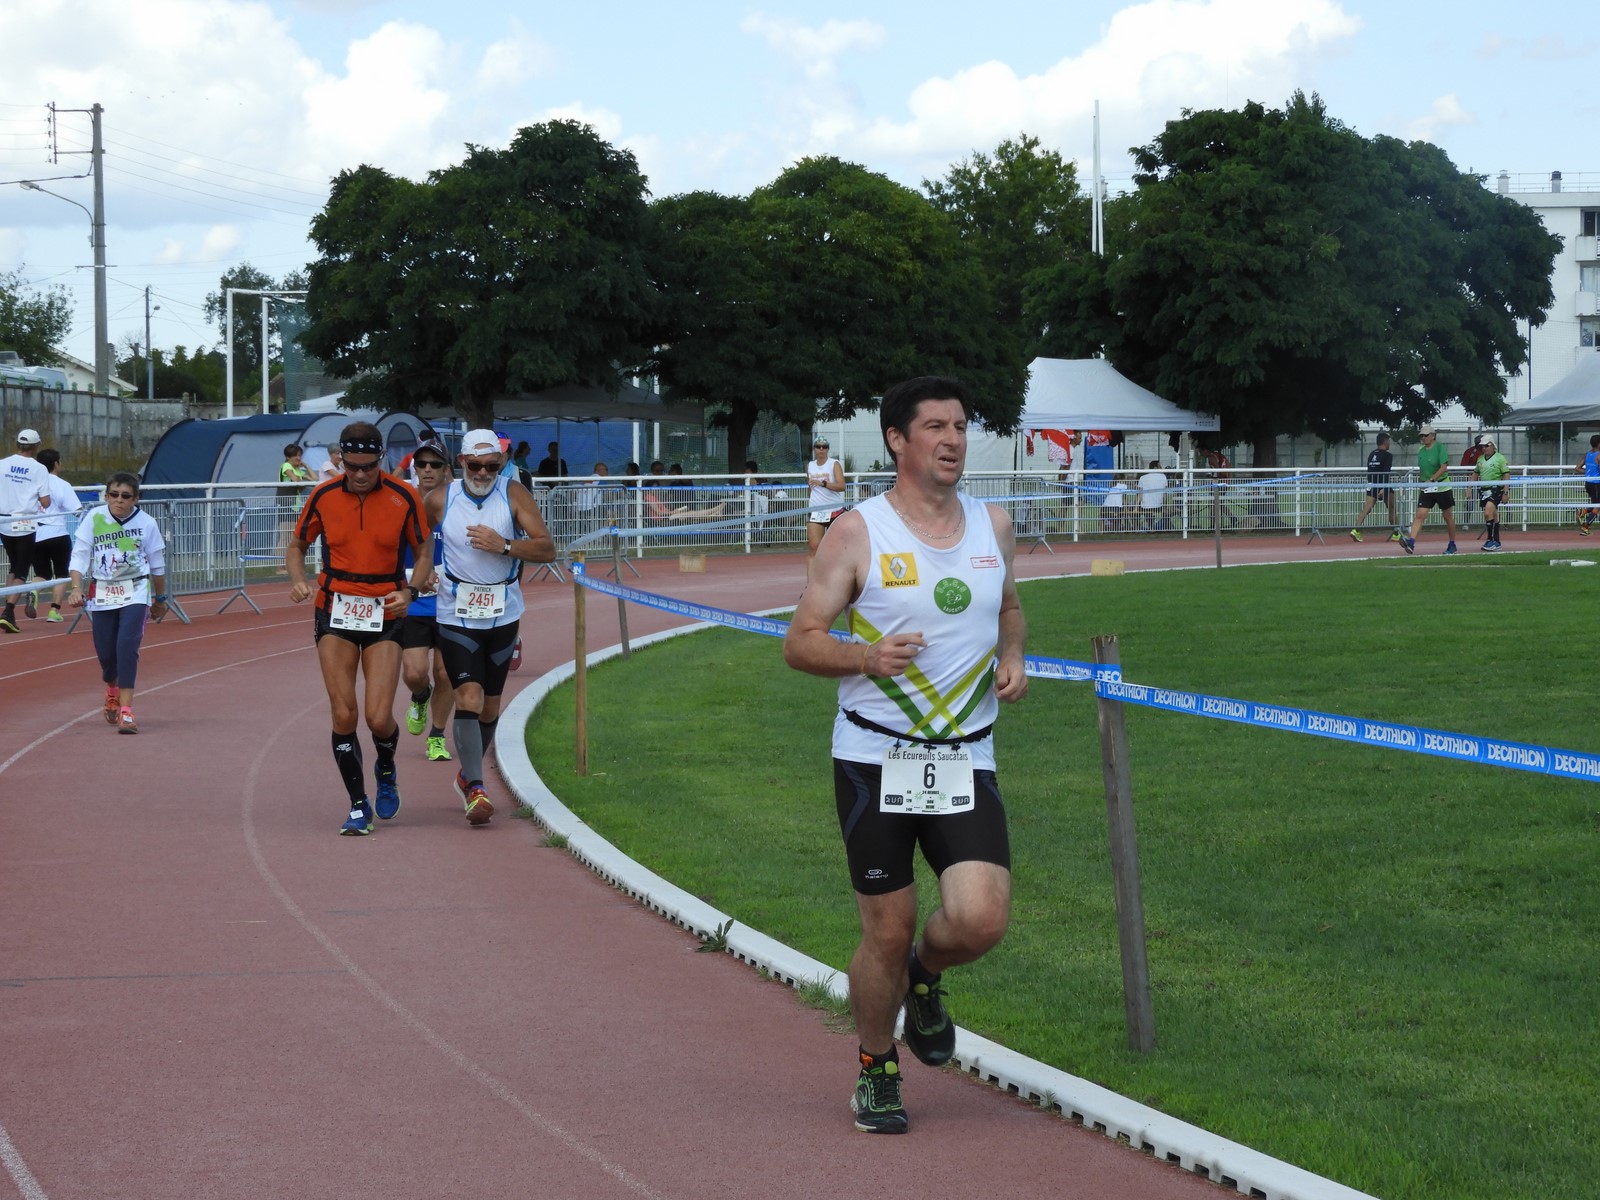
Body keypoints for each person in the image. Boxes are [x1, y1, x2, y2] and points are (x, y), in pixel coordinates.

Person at [782, 375, 1028, 1136]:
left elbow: (1010, 605)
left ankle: (926, 975)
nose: (953, 440)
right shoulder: (858, 532)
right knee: (885, 932)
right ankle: (876, 1065)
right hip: (874, 758)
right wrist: (865, 657)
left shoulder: (993, 525)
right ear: (897, 440)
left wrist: (1014, 654)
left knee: (980, 921)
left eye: (961, 426)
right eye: (935, 427)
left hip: (965, 755)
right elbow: (800, 642)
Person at [286, 421, 432, 836]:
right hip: (335, 609)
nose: (361, 474)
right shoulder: (323, 495)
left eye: (368, 466)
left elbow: (424, 549)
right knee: (344, 713)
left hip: (385, 611)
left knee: (378, 717)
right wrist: (298, 579)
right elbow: (297, 545)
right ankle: (357, 804)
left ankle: (385, 767)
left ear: (381, 459)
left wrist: (412, 590)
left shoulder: (404, 495)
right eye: (352, 466)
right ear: (342, 461)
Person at [424, 429, 556, 826]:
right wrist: (422, 572)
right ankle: (477, 788)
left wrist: (504, 545)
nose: (483, 472)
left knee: (491, 706)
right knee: (469, 695)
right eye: (476, 465)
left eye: (492, 466)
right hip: (455, 611)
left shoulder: (513, 494)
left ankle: (467, 775)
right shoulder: (439, 499)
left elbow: (547, 548)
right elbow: (416, 541)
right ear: (461, 461)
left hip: (503, 612)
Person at [66, 472, 169, 733]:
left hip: (136, 590)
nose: (119, 500)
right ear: (106, 496)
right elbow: (79, 556)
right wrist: (76, 588)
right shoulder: (94, 518)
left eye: (125, 496)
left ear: (135, 499)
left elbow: (157, 565)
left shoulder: (147, 523)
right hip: (102, 591)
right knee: (106, 654)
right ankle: (111, 688)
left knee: (127, 646)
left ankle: (127, 711)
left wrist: (160, 598)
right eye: (113, 495)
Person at [400, 447, 456, 762]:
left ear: (446, 469)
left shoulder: (457, 505)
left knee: (446, 673)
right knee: (414, 672)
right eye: (421, 464)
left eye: (435, 464)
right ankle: (421, 695)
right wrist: (415, 578)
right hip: (414, 603)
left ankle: (436, 736)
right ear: (415, 469)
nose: (428, 469)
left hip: (451, 603)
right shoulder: (403, 504)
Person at [0, 427, 48, 632]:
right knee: (21, 569)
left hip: (4, 522)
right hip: (26, 523)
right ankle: (9, 611)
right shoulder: (39, 469)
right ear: (35, 446)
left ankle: (6, 608)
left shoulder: (2, 464)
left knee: (13, 566)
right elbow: (46, 502)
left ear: (18, 444)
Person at [32, 448, 82, 623]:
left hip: (35, 534)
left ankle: (33, 590)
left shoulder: (31, 483)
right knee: (61, 573)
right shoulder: (62, 484)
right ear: (56, 464)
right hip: (58, 533)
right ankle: (54, 611)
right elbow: (77, 511)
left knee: (42, 573)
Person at [1399, 424, 1457, 555]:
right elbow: (1423, 468)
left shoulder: (1440, 448)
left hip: (1441, 486)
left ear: (1432, 436)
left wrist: (1432, 479)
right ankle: (1411, 542)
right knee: (1420, 514)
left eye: (1426, 435)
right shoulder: (1421, 450)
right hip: (1427, 488)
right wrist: (1423, 482)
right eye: (1422, 436)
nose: (1423, 438)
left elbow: (1443, 467)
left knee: (1447, 516)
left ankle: (1452, 544)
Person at [805, 436, 847, 578]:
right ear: (814, 449)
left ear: (828, 449)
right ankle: (811, 584)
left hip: (834, 510)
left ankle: (838, 580)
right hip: (816, 510)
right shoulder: (810, 466)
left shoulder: (834, 464)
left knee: (837, 549)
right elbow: (810, 487)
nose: (821, 449)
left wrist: (823, 484)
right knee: (814, 547)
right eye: (818, 446)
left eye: (824, 447)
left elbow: (842, 486)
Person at [1350, 433, 1400, 542]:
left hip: (1372, 484)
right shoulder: (1388, 455)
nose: (1389, 443)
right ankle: (1396, 533)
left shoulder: (1372, 454)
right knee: (1392, 508)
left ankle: (1355, 529)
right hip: (1383, 485)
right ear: (1385, 442)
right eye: (1388, 441)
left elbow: (1370, 470)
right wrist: (1384, 487)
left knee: (1367, 507)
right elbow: (1386, 472)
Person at [1474, 434, 1510, 552]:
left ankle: (1490, 539)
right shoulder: (1480, 459)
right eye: (1482, 446)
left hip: (1496, 490)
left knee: (1488, 512)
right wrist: (1469, 487)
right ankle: (1497, 541)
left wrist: (1505, 492)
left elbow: (1506, 474)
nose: (1484, 448)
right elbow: (1475, 473)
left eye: (1487, 446)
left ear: (1493, 445)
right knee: (1493, 515)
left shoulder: (1500, 458)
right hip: (1484, 491)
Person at [1575, 434, 1600, 534]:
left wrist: (1588, 473)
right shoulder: (1599, 455)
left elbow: (1577, 468)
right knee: (1597, 506)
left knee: (1596, 504)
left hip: (1588, 483)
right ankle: (1586, 527)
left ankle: (1583, 512)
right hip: (1596, 484)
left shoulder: (1587, 454)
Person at [1136, 460, 1169, 530]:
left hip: (1145, 506)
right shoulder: (1163, 477)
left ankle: (1149, 527)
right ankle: (1155, 527)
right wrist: (1165, 506)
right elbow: (1165, 494)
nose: (1161, 468)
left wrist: (1136, 507)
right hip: (1159, 505)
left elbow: (1140, 494)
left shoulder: (1143, 478)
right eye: (1160, 466)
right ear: (1155, 467)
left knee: (1142, 511)